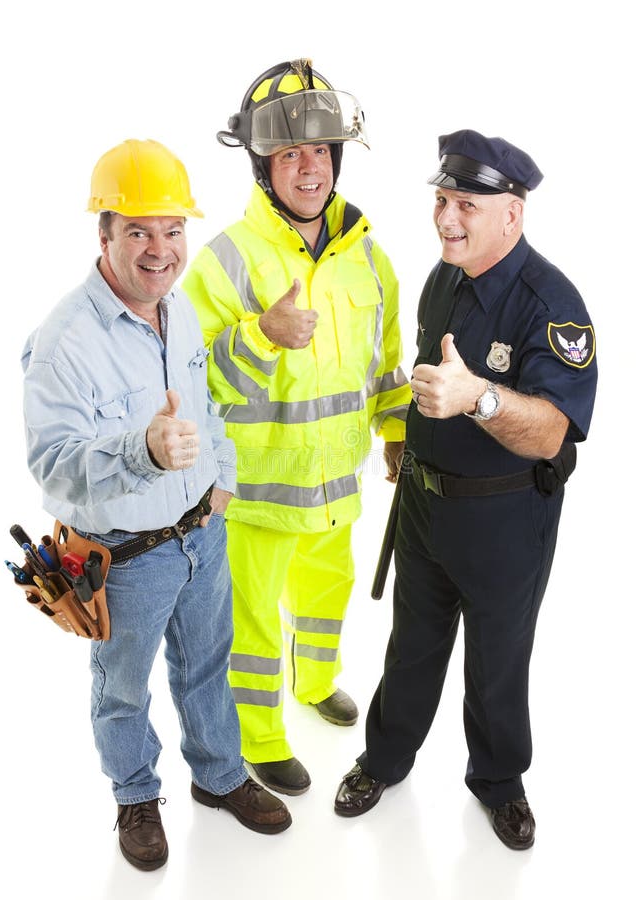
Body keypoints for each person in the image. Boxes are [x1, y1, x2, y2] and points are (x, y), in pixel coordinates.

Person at [21, 139, 291, 872]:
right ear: (103, 234)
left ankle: (219, 774)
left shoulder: (182, 314)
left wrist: (221, 478)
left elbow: (210, 408)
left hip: (199, 536)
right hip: (126, 558)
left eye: (172, 229)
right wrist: (141, 449)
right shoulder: (65, 341)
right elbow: (51, 464)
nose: (159, 249)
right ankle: (136, 795)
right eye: (137, 230)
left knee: (208, 664)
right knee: (121, 688)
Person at [334, 130, 598, 850]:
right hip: (423, 505)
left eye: (466, 206)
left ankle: (499, 781)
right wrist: (405, 446)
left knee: (497, 658)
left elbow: (550, 433)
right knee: (411, 647)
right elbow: (425, 379)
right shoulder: (442, 277)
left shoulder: (551, 303)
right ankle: (383, 759)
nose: (446, 218)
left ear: (510, 214)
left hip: (504, 520)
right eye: (442, 200)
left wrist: (478, 397)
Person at [183, 60, 411, 796]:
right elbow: (188, 380)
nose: (308, 168)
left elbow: (384, 362)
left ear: (336, 157)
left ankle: (314, 684)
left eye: (318, 151)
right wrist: (260, 336)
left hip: (335, 484)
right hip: (251, 493)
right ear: (262, 166)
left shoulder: (368, 258)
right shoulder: (225, 259)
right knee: (248, 628)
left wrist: (396, 431)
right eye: (289, 155)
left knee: (326, 596)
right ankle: (260, 740)